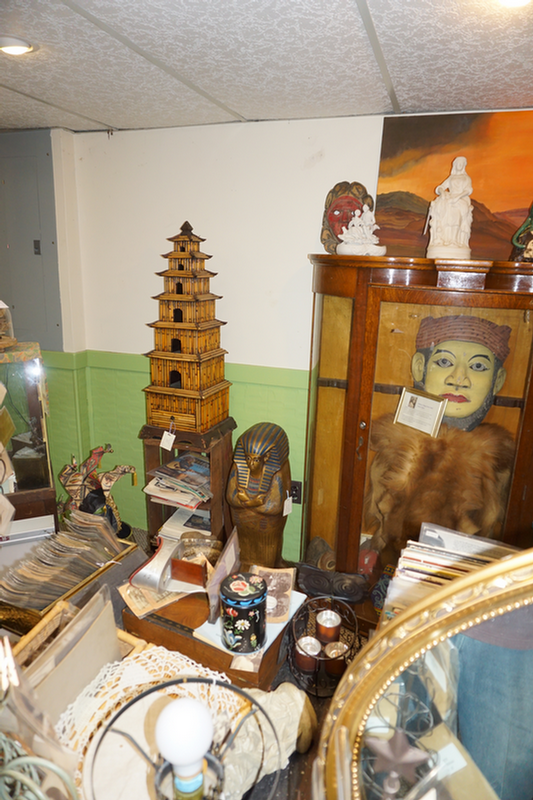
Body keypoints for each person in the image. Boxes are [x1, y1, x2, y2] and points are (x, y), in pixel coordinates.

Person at [364, 315, 515, 562]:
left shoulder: (495, 459)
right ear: (419, 368)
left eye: (478, 367)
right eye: (444, 362)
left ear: (497, 380)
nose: (459, 379)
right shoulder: (397, 447)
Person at [226, 422, 291, 567]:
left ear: (266, 458)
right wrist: (254, 502)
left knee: (267, 547)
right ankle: (245, 566)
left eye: (256, 459)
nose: (251, 464)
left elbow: (274, 507)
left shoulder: (277, 472)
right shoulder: (238, 467)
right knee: (244, 544)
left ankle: (268, 568)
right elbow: (230, 497)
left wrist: (247, 502)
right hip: (242, 521)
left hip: (267, 525)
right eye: (248, 458)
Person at [426, 156, 473, 258]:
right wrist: (443, 193)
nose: (459, 165)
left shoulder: (466, 178)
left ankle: (454, 240)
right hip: (450, 198)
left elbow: (468, 190)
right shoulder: (451, 178)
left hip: (461, 199)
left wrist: (457, 197)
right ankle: (443, 239)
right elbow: (440, 187)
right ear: (455, 165)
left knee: (455, 212)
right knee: (445, 208)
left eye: (461, 163)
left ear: (464, 166)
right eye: (458, 163)